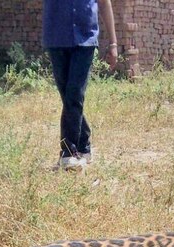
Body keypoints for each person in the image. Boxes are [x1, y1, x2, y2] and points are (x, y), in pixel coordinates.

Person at [43, 0, 118, 170]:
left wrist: (113, 43)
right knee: (68, 97)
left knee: (74, 93)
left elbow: (105, 3)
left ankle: (69, 153)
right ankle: (84, 145)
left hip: (85, 39)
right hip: (56, 39)